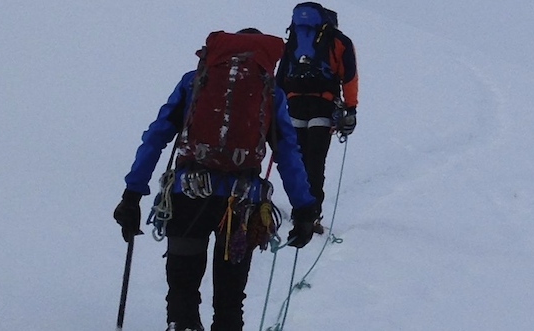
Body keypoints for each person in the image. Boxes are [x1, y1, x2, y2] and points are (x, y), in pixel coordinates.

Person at [113, 28, 321, 331]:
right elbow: (288, 153)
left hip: (186, 197)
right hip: (242, 206)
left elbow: (156, 137)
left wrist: (132, 195)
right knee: (230, 302)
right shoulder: (269, 91)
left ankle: (181, 324)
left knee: (182, 293)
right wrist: (304, 208)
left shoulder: (194, 81)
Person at [276, 2, 358, 249]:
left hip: (293, 105)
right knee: (315, 160)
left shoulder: (294, 38)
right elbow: (350, 76)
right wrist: (351, 109)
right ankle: (312, 215)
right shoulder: (339, 41)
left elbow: (281, 77)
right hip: (323, 104)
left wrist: (274, 108)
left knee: (296, 159)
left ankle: (299, 209)